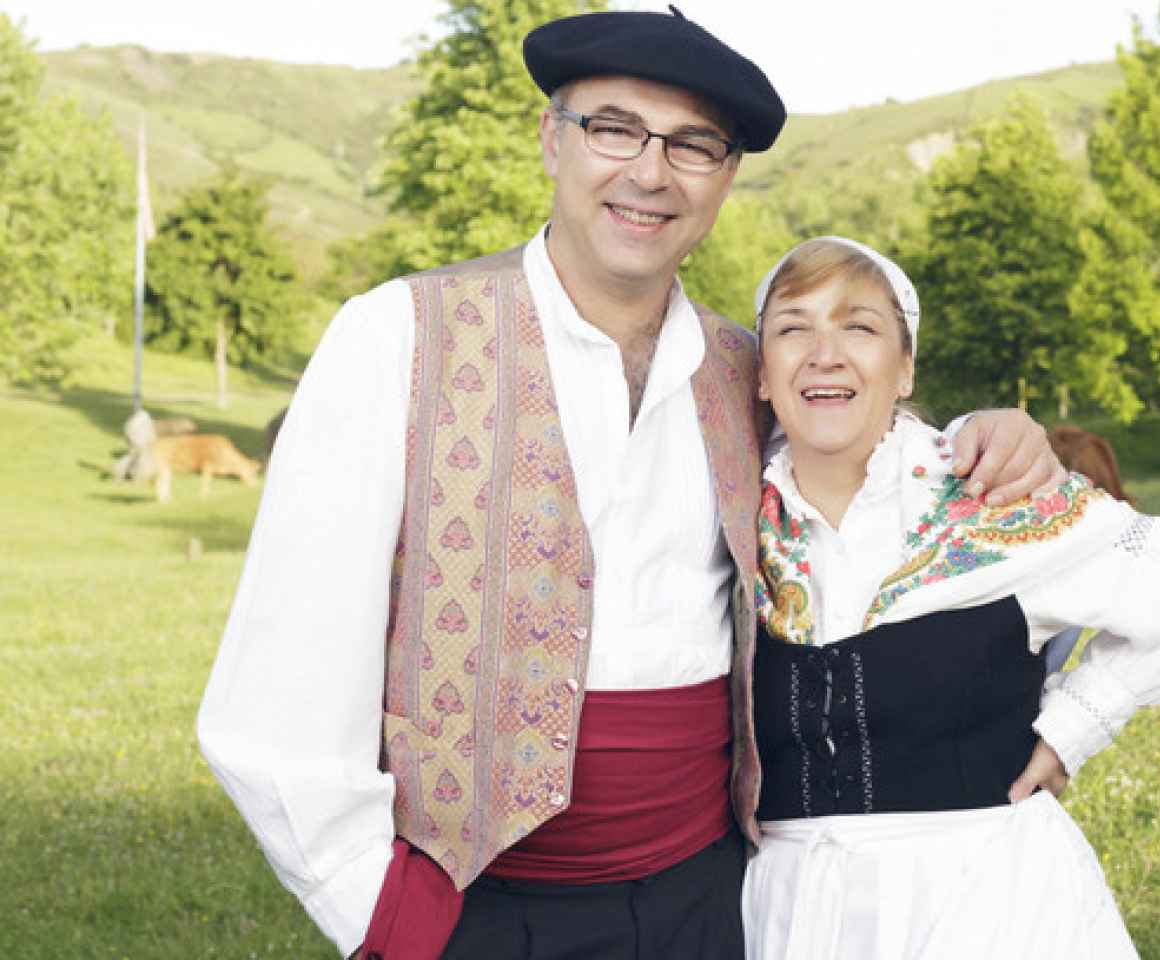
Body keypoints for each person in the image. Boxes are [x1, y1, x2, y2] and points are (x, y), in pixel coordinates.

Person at [195, 11, 1063, 960]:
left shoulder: (750, 371)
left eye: (693, 144)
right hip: (471, 906)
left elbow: (893, 483)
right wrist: (383, 912)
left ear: (725, 179)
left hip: (709, 898)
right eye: (613, 127)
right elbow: (283, 680)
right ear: (551, 140)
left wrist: (995, 439)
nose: (649, 172)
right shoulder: (396, 337)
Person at [741, 237, 1160, 959]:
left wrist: (1079, 722)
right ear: (764, 376)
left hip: (986, 905)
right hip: (791, 914)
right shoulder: (734, 517)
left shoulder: (993, 497)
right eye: (792, 326)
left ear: (904, 370)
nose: (824, 352)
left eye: (859, 326)